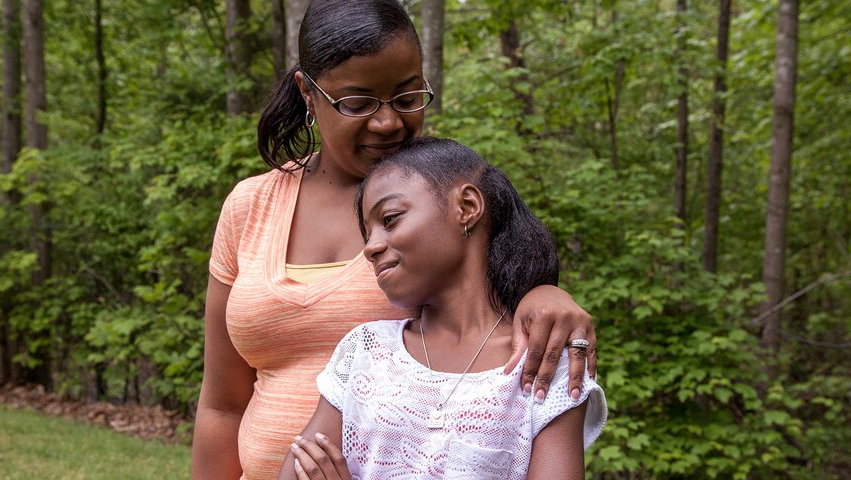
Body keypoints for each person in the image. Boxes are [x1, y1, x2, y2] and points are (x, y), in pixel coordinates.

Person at [191, 1, 598, 478]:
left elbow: (501, 296)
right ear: (308, 92)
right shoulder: (250, 206)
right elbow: (221, 405)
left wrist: (546, 290)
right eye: (358, 103)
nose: (388, 123)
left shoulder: (441, 202)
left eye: (407, 98)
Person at [280, 138, 606, 480]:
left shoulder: (543, 360)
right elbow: (298, 469)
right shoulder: (365, 352)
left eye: (390, 219)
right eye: (367, 234)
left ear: (466, 206)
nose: (371, 247)